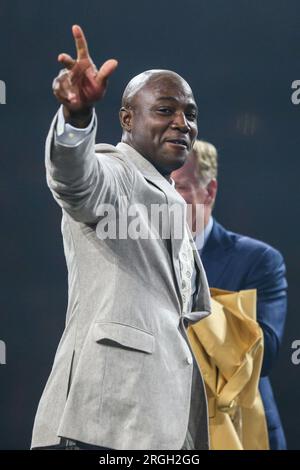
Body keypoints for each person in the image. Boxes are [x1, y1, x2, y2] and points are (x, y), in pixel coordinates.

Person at [31, 25, 211, 450]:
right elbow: (75, 181)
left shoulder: (165, 194)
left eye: (191, 113)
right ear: (127, 118)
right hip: (98, 424)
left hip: (149, 427)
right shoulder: (116, 172)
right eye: (165, 110)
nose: (183, 123)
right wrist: (76, 120)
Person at [172, 140, 288, 450]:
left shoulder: (259, 260)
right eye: (162, 185)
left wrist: (185, 286)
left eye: (180, 188)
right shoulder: (141, 260)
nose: (166, 198)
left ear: (209, 192)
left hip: (240, 433)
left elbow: (264, 355)